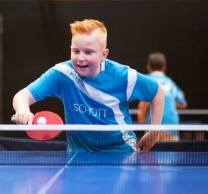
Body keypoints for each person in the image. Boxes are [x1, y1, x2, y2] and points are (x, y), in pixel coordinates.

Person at [12, 19, 164, 152]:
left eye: (88, 52)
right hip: (78, 154)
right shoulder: (62, 74)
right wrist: (22, 109)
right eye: (75, 51)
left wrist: (154, 131)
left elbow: (157, 92)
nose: (80, 58)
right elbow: (22, 96)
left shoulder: (124, 76)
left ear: (104, 54)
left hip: (121, 152)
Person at [137, 52, 188, 141]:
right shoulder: (170, 83)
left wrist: (141, 117)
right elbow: (183, 104)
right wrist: (168, 101)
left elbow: (144, 103)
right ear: (164, 68)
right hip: (172, 126)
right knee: (171, 154)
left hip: (153, 127)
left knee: (150, 154)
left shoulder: (146, 79)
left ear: (148, 67)